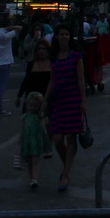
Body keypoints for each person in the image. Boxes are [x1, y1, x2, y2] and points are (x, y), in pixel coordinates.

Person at [44, 24, 87, 192]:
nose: (64, 37)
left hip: (73, 98)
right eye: (61, 34)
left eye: (66, 34)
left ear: (70, 37)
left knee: (71, 137)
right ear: (56, 37)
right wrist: (46, 99)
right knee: (57, 139)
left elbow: (81, 80)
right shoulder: (53, 57)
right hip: (58, 100)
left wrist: (83, 101)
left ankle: (65, 174)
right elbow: (52, 80)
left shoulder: (76, 56)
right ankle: (66, 166)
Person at [0, 16, 22, 116]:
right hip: (5, 63)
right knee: (0, 88)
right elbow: (19, 28)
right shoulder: (7, 35)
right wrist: (10, 27)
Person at [19, 91, 50, 190]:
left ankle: (34, 180)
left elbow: (45, 116)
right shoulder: (25, 117)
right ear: (27, 105)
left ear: (39, 106)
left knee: (35, 161)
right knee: (29, 161)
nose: (32, 108)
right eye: (30, 105)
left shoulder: (39, 116)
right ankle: (31, 178)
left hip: (35, 141)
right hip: (27, 141)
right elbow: (22, 129)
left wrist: (44, 107)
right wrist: (20, 139)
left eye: (35, 106)